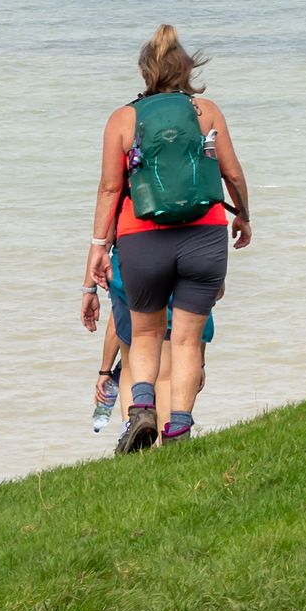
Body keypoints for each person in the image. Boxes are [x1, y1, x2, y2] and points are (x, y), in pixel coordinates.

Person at [80, 25, 253, 453]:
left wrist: (98, 250)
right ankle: (179, 428)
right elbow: (231, 172)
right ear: (186, 68)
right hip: (205, 235)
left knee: (144, 335)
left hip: (141, 239)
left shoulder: (122, 119)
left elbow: (108, 189)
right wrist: (244, 218)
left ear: (145, 73)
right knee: (187, 339)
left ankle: (141, 409)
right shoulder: (206, 111)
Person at [81, 255, 210, 436]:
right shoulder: (196, 252)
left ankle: (133, 433)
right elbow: (201, 315)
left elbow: (115, 326)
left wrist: (105, 371)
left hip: (136, 276)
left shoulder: (128, 256)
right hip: (182, 326)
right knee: (166, 378)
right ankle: (172, 442)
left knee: (130, 369)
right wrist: (199, 363)